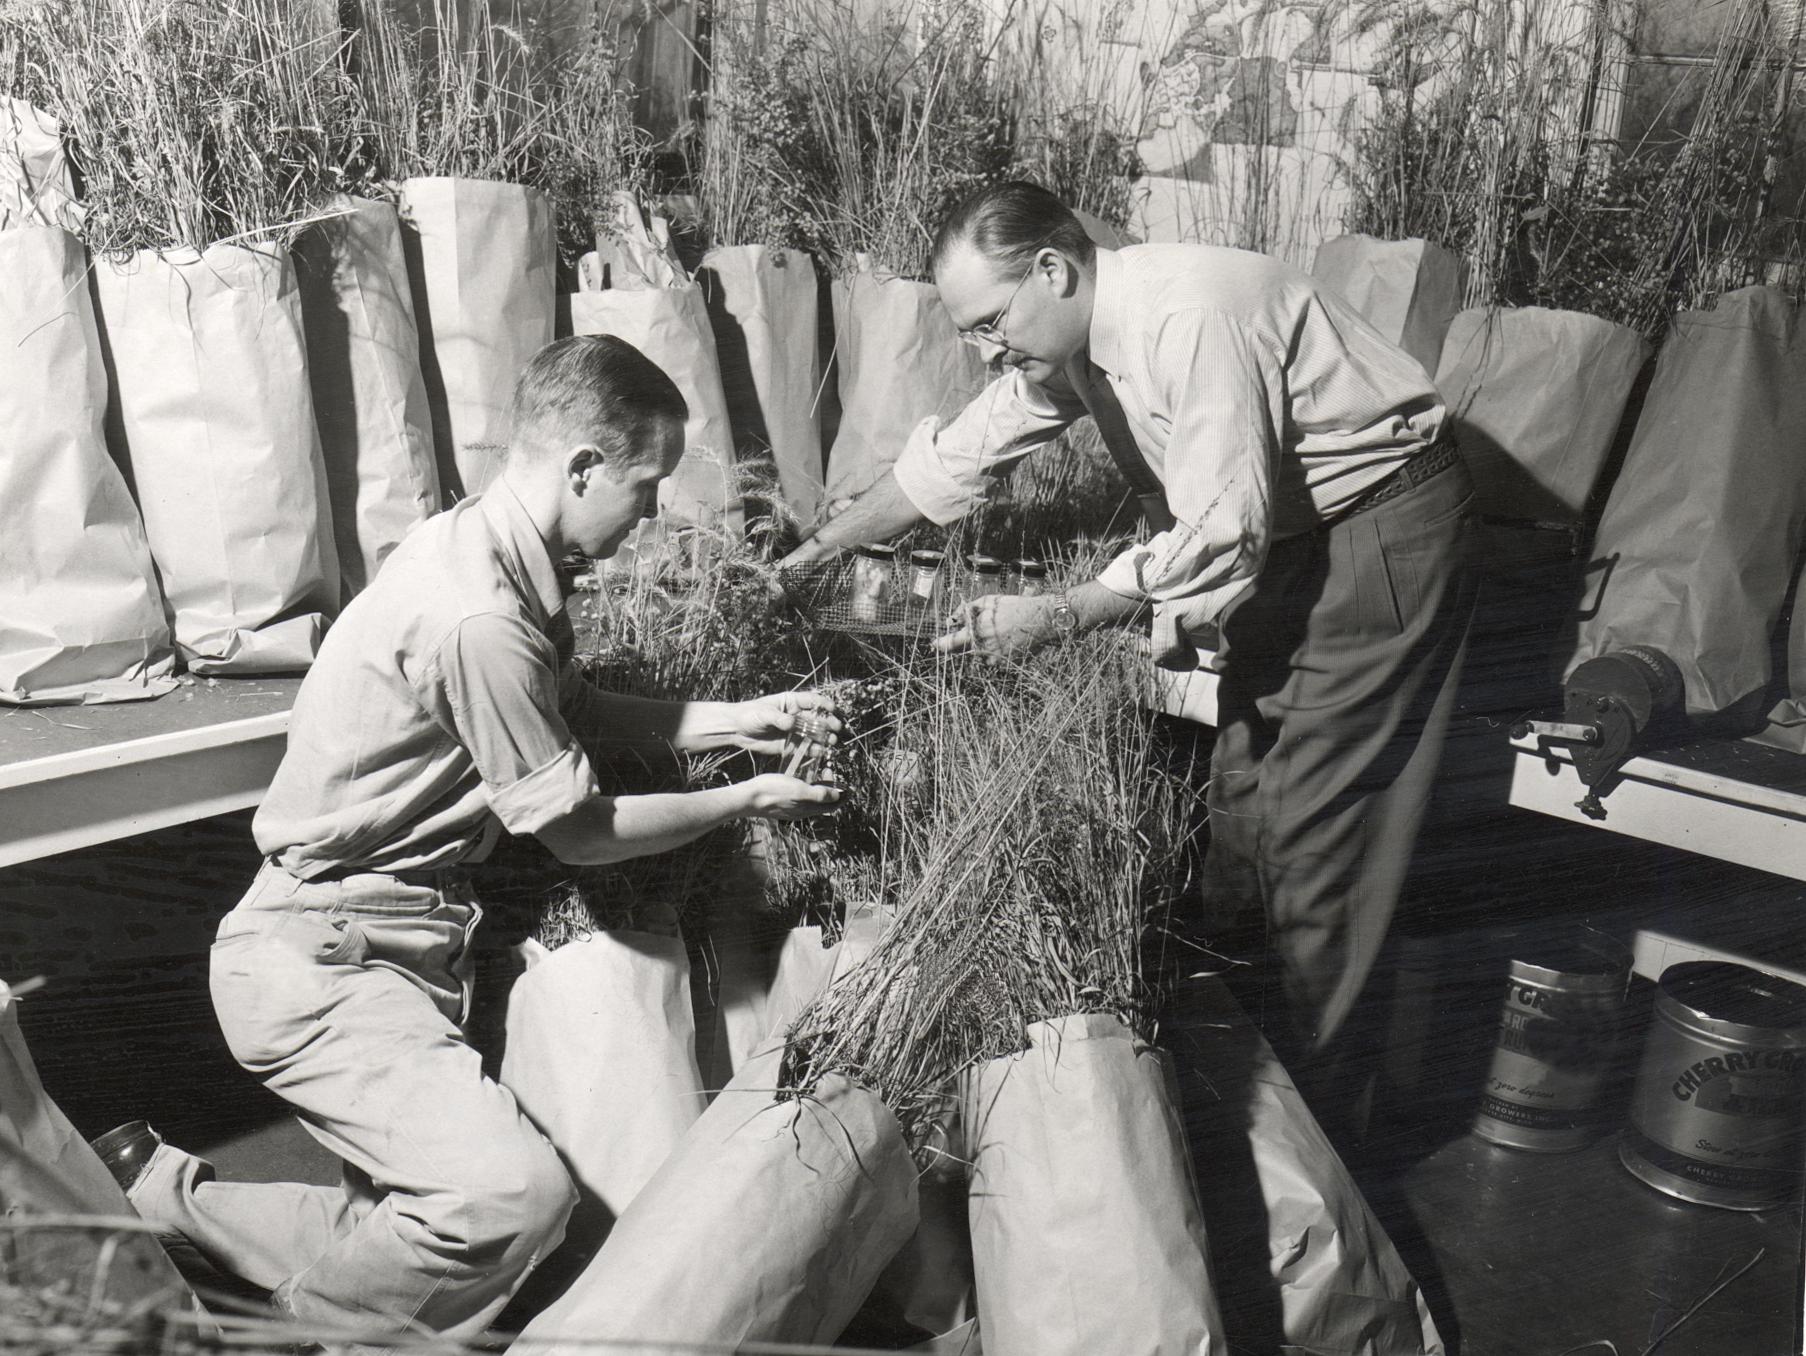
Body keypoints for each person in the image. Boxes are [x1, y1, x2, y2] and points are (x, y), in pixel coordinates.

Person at [97, 335, 842, 1341]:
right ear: (580, 467)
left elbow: (568, 702)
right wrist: (747, 801)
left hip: (397, 940)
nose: (653, 512)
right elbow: (580, 835)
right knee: (512, 1200)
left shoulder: (490, 548)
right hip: (322, 961)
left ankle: (154, 1196)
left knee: (404, 1233)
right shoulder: (476, 616)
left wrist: (738, 718)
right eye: (644, 484)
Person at [783, 181, 1478, 1135]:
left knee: (1322, 849)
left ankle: (1321, 1146)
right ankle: (1259, 1113)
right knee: (1240, 820)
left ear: (1054, 271)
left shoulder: (1187, 318)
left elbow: (1218, 531)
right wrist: (815, 554)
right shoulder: (1072, 339)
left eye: (990, 323)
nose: (987, 350)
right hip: (1289, 542)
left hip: (1376, 534)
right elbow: (958, 456)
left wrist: (1062, 613)